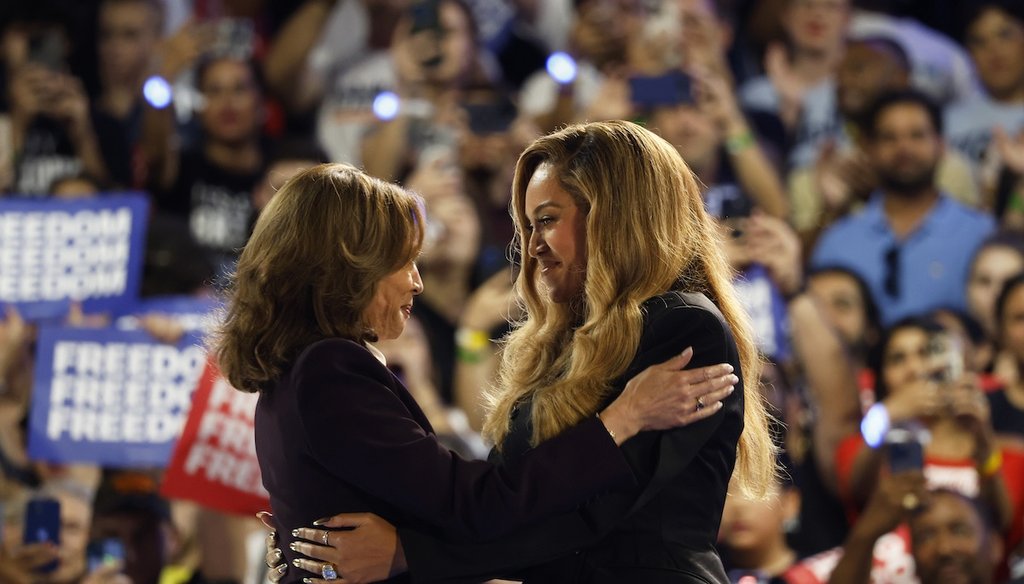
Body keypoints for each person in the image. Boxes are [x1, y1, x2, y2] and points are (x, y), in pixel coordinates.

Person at [276, 120, 776, 583]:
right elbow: (501, 496)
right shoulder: (555, 346)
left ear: (616, 219)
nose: (532, 245)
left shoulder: (685, 327)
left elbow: (594, 521)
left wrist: (410, 554)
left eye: (548, 219)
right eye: (528, 225)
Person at [811, 89, 995, 325]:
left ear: (941, 145)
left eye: (917, 135)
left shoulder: (981, 234)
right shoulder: (837, 240)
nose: (904, 148)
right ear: (869, 149)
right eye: (889, 137)